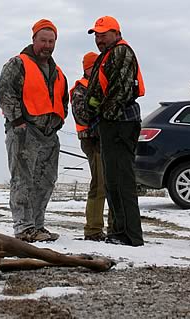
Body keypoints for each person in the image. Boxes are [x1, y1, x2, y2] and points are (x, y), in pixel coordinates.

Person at [0, 19, 69, 242]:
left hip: (49, 135)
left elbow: (63, 101)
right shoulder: (17, 64)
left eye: (51, 41)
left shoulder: (58, 72)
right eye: (43, 40)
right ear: (33, 39)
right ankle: (23, 227)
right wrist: (18, 122)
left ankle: (37, 225)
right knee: (22, 180)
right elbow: (5, 94)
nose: (47, 45)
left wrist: (58, 122)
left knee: (46, 181)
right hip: (24, 133)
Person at [85, 16, 145, 246]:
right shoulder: (109, 54)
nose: (99, 39)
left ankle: (130, 235)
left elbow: (119, 91)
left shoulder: (121, 52)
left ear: (116, 33)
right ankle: (120, 231)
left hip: (120, 124)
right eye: (97, 35)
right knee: (113, 179)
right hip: (112, 124)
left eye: (103, 34)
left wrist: (103, 115)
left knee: (121, 179)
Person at [70, 52, 112, 241]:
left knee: (111, 184)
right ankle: (93, 230)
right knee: (100, 184)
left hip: (107, 140)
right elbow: (81, 115)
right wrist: (99, 108)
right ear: (85, 68)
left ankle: (114, 227)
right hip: (92, 140)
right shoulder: (81, 89)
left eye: (99, 65)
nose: (96, 69)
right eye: (92, 66)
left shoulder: (104, 85)